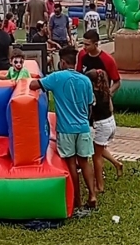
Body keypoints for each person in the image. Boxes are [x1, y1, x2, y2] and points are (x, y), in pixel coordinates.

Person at [29, 46, 97, 210]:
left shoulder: (57, 77)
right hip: (83, 128)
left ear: (63, 62)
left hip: (66, 129)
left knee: (71, 163)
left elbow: (33, 85)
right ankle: (92, 195)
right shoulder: (85, 80)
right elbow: (90, 105)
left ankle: (77, 200)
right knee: (85, 161)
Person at [85, 69, 124, 193]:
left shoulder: (92, 95)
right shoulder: (106, 91)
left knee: (96, 156)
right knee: (98, 147)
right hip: (111, 121)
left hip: (102, 125)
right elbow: (111, 108)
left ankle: (99, 186)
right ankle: (117, 163)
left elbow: (89, 111)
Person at [77, 30, 121, 95]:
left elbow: (117, 82)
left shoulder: (107, 59)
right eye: (83, 44)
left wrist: (109, 92)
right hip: (85, 94)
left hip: (101, 95)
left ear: (96, 44)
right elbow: (78, 75)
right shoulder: (82, 54)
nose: (84, 47)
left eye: (87, 45)